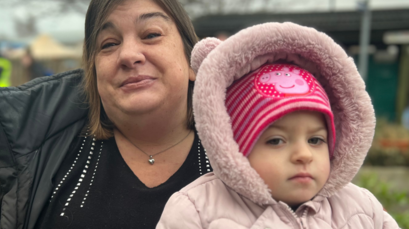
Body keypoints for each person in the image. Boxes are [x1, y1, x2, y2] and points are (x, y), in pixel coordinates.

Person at [0, 0, 212, 229]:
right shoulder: (21, 150)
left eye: (151, 34)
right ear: (93, 73)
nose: (129, 54)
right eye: (108, 44)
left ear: (193, 60)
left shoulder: (246, 149)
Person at [157, 22, 400, 228]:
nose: (303, 155)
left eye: (315, 140)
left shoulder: (362, 210)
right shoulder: (196, 210)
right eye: (276, 141)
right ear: (234, 150)